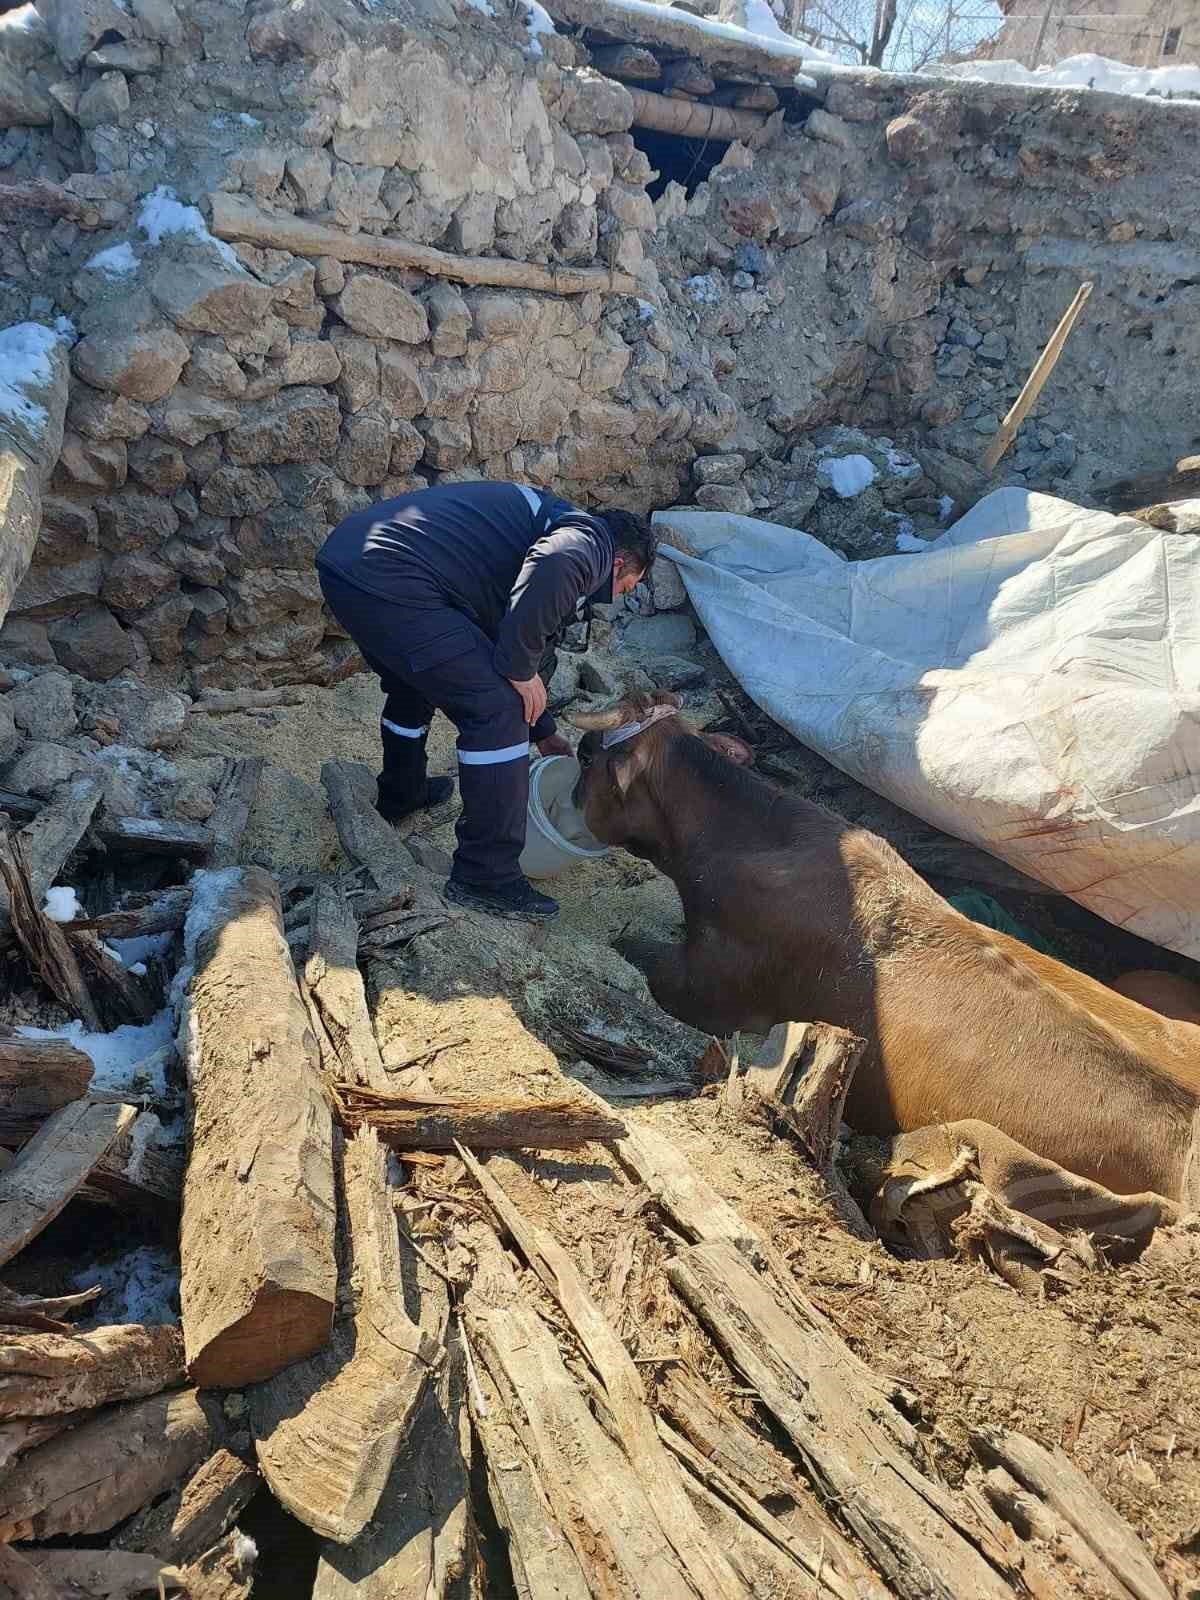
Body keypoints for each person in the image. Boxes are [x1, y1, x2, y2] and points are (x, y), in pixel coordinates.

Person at [316, 480, 655, 922]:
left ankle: (402, 792)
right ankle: (485, 875)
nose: (621, 595)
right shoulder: (588, 542)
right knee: (497, 710)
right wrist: (521, 671)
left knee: (412, 682)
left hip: (352, 564)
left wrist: (545, 733)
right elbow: (554, 566)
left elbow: (505, 627)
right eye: (629, 586)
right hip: (392, 577)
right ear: (621, 561)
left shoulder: (542, 523)